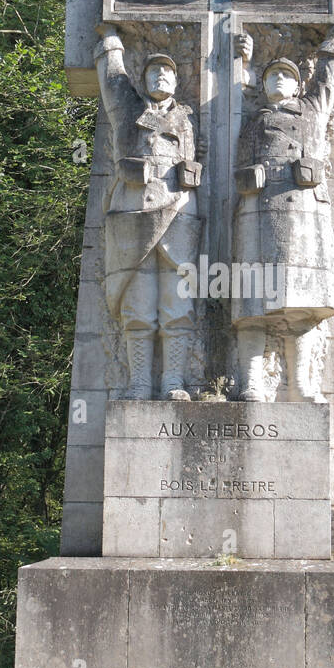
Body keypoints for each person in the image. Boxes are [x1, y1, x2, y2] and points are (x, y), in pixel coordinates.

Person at [231, 15, 334, 402]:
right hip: (257, 215)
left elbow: (329, 79)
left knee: (303, 304)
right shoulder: (254, 122)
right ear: (261, 87)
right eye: (271, 78)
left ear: (299, 85)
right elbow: (238, 167)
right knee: (251, 302)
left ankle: (298, 385)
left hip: (302, 215)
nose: (279, 82)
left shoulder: (313, 111)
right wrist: (251, 177)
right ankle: (250, 384)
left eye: (286, 77)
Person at [93, 24, 202, 399]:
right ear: (143, 80)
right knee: (138, 304)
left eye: (167, 72)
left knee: (178, 304)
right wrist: (110, 41)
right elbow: (112, 80)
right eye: (154, 71)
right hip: (133, 214)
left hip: (180, 216)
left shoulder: (188, 118)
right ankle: (139, 382)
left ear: (176, 82)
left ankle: (173, 380)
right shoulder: (129, 108)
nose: (160, 76)